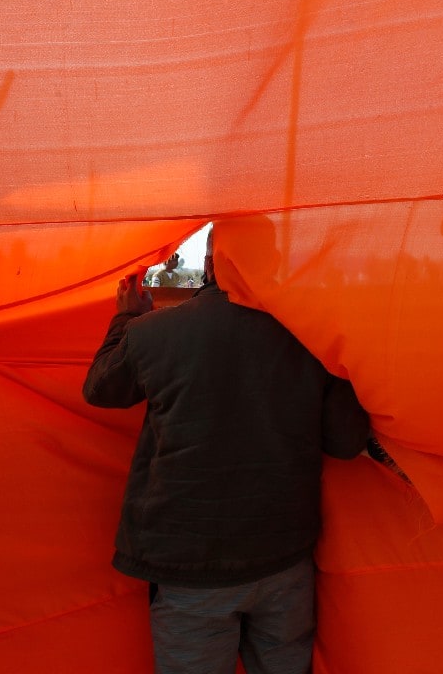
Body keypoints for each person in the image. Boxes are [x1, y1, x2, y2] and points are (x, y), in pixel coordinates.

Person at [82, 225, 370, 674]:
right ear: (273, 264)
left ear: (212, 264)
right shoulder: (313, 333)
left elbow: (100, 389)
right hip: (284, 559)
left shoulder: (152, 333)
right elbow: (348, 442)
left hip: (188, 565)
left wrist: (125, 319)